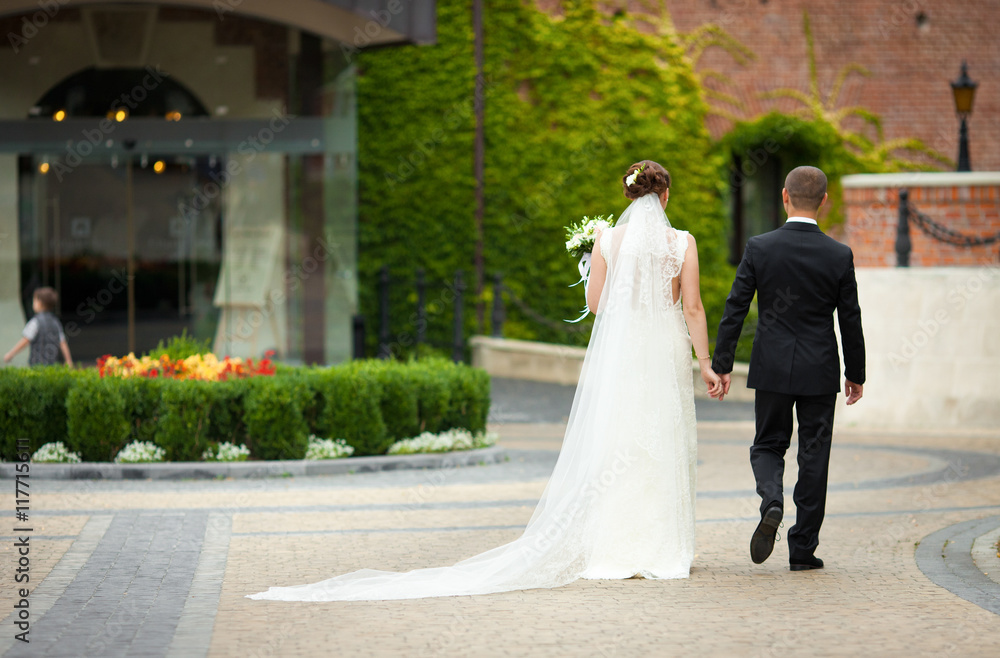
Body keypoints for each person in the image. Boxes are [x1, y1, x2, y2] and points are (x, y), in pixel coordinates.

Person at [248, 160, 722, 602]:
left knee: (616, 439)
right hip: (662, 348)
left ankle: (617, 549)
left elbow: (596, 305)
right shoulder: (682, 242)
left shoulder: (606, 240)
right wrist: (705, 361)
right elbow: (694, 307)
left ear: (628, 194)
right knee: (660, 437)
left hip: (621, 353)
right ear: (664, 198)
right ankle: (663, 548)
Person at [712, 165, 865, 571]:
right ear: (825, 202)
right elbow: (851, 319)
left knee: (767, 444)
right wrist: (856, 373)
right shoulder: (839, 254)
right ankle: (802, 550)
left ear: (784, 196)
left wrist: (722, 364)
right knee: (814, 456)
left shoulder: (760, 247)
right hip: (819, 370)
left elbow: (736, 307)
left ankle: (771, 500)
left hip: (772, 367)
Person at [4, 287, 73, 367]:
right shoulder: (56, 322)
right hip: (52, 366)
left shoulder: (35, 321)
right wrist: (68, 360)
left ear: (39, 303)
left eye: (34, 301)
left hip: (37, 365)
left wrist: (11, 354)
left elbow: (25, 340)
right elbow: (62, 342)